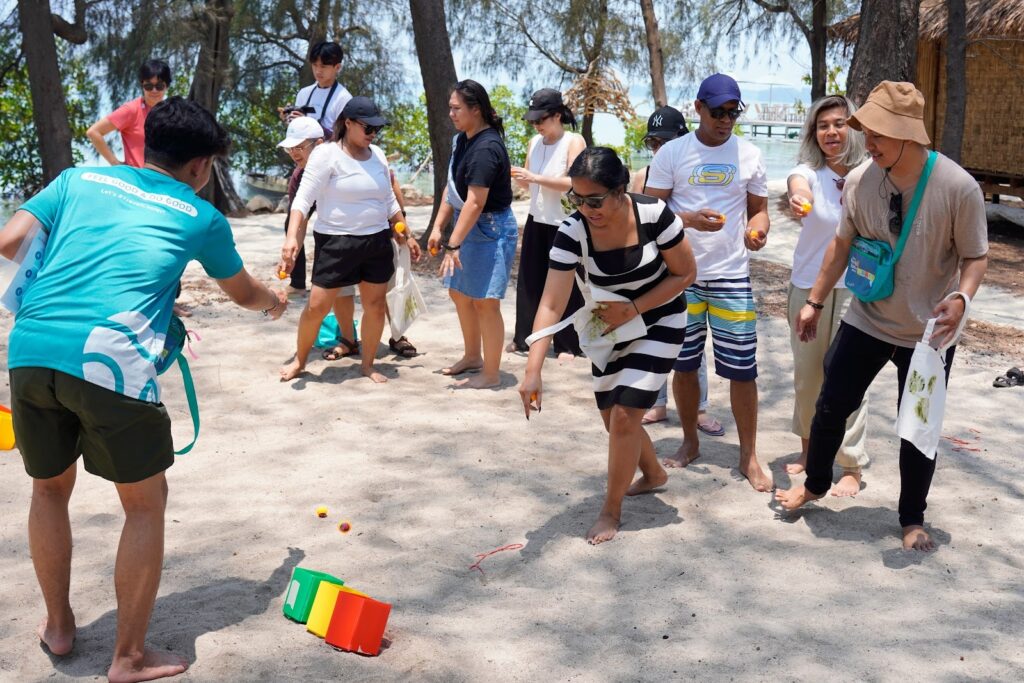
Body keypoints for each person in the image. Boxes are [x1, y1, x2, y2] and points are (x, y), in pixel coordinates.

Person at [1, 96, 287, 683]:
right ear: (201, 166)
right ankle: (128, 658)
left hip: (30, 348)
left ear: (145, 141)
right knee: (143, 503)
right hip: (109, 361)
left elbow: (10, 243)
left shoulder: (78, 178)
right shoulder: (200, 215)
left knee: (49, 489)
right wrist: (275, 304)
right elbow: (242, 292)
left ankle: (58, 627)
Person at [775, 81, 988, 552]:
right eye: (865, 133)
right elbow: (840, 245)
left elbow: (975, 257)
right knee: (831, 402)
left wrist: (962, 299)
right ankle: (815, 484)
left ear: (909, 136)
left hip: (929, 333)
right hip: (867, 317)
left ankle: (912, 518)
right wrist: (813, 300)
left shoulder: (958, 187)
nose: (865, 143)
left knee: (917, 427)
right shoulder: (860, 180)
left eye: (877, 135)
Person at [518, 147, 697, 545]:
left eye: (595, 200)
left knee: (625, 415)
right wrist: (533, 369)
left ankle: (610, 511)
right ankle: (653, 474)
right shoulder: (572, 231)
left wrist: (634, 308)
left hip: (660, 318)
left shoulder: (655, 214)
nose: (586, 209)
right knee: (612, 416)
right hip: (608, 328)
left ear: (621, 190)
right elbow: (550, 302)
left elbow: (686, 273)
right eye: (576, 199)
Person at [644, 74, 773, 491]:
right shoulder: (672, 154)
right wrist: (688, 220)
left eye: (734, 112)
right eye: (718, 112)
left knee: (742, 369)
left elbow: (759, 211)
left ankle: (748, 455)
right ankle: (690, 441)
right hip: (682, 275)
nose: (726, 120)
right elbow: (648, 211)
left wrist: (758, 230)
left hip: (732, 276)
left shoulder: (750, 154)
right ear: (697, 108)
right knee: (684, 364)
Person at [279, 96, 409, 384]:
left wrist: (403, 231)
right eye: (368, 127)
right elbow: (303, 199)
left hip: (375, 241)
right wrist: (292, 239)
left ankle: (367, 365)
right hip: (336, 242)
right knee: (317, 306)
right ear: (347, 123)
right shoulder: (327, 155)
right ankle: (300, 360)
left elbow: (387, 198)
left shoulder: (377, 154)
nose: (373, 134)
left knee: (374, 305)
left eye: (377, 128)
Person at [784, 95, 870, 496]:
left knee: (851, 378)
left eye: (838, 124)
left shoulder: (871, 174)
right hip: (807, 285)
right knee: (807, 376)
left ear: (852, 128)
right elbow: (796, 189)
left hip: (857, 289)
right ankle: (809, 450)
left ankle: (851, 463)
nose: (831, 132)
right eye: (822, 126)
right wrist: (798, 200)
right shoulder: (806, 172)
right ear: (813, 133)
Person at [631, 106, 723, 437]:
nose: (658, 149)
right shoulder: (642, 175)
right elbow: (638, 223)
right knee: (654, 338)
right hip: (655, 270)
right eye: (653, 143)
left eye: (664, 141)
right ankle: (657, 402)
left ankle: (698, 409)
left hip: (690, 267)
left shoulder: (693, 168)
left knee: (691, 344)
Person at [428, 80, 517, 389]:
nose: (451, 113)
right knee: (459, 293)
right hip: (471, 226)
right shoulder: (462, 140)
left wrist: (454, 243)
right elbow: (453, 191)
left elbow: (476, 202)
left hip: (492, 230)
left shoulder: (487, 147)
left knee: (486, 302)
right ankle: (472, 356)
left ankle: (491, 374)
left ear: (475, 110)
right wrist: (439, 226)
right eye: (450, 108)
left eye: (456, 108)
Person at [507, 88, 585, 358]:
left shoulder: (573, 141)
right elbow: (528, 184)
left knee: (567, 284)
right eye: (533, 121)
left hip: (564, 222)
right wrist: (519, 177)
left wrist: (535, 177)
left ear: (557, 115)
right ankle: (524, 338)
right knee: (530, 279)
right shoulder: (533, 143)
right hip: (536, 218)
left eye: (541, 119)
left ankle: (567, 344)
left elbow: (575, 183)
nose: (537, 125)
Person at [86, 59, 171, 168]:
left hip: (165, 181)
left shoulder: (172, 112)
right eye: (148, 86)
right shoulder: (132, 110)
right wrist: (115, 163)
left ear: (167, 86)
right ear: (142, 85)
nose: (154, 91)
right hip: (138, 180)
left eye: (159, 86)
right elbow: (93, 132)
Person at [277, 116, 327, 295]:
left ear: (319, 144)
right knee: (292, 223)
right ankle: (300, 283)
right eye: (289, 148)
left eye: (299, 147)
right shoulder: (298, 177)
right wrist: (290, 257)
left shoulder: (341, 164)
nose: (293, 153)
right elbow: (300, 223)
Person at [282, 41, 352, 139]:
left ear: (337, 67)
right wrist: (290, 120)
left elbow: (343, 140)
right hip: (304, 152)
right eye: (315, 65)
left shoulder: (344, 98)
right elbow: (295, 133)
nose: (318, 71)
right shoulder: (304, 93)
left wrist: (306, 124)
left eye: (323, 66)